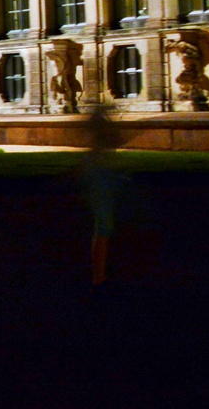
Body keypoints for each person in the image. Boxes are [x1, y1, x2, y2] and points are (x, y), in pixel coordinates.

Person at [79, 101, 125, 288]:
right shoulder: (100, 147)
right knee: (104, 228)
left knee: (104, 228)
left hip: (103, 179)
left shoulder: (98, 148)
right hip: (102, 181)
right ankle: (99, 276)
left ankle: (100, 274)